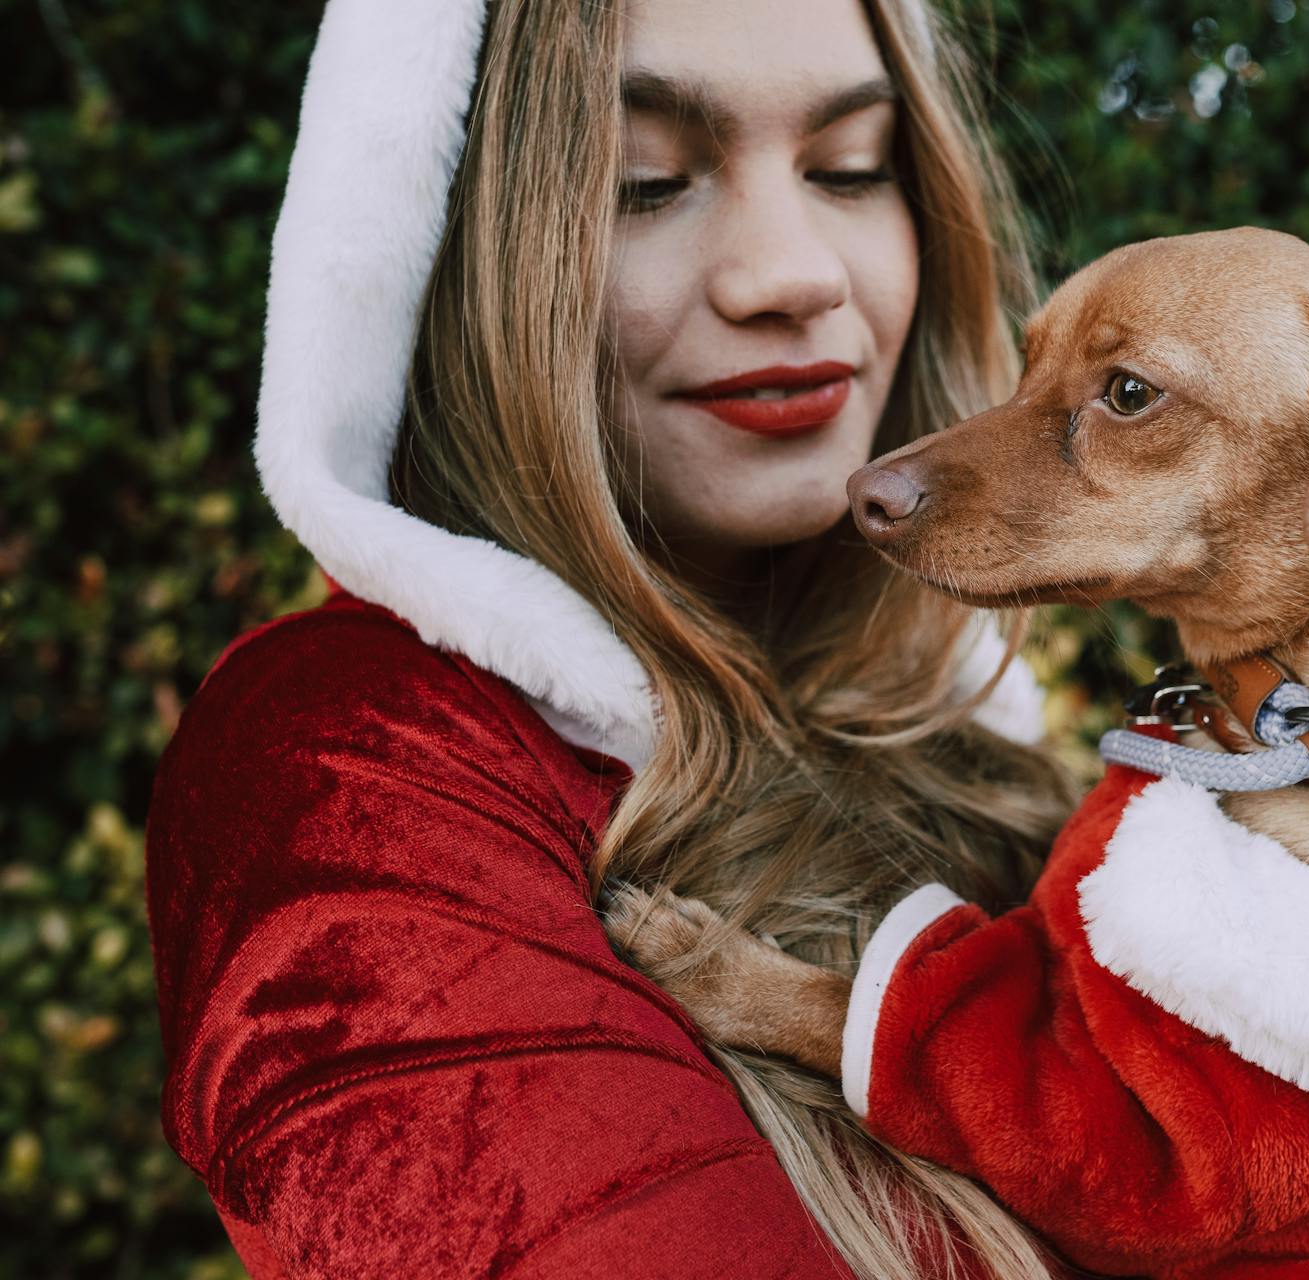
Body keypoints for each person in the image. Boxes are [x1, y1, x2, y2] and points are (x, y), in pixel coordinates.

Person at [143, 0, 1087, 1275]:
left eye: (851, 169)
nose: (793, 272)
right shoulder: (349, 756)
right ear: (453, 241)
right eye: (642, 183)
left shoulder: (988, 753)